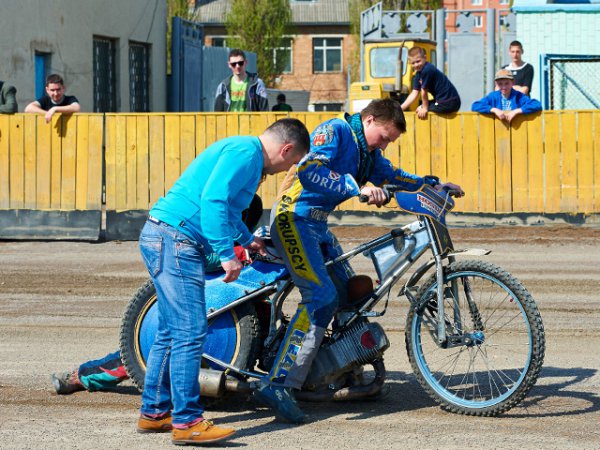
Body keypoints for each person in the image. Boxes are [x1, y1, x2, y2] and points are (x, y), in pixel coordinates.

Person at [253, 98, 464, 424]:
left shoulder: (368, 153)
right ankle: (279, 383)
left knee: (353, 295)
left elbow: (394, 176)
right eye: (384, 137)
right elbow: (310, 171)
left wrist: (432, 184)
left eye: (389, 141)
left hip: (317, 227)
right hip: (292, 219)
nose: (385, 144)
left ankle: (341, 368)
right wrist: (357, 187)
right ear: (369, 120)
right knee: (321, 297)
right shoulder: (335, 130)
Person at [135, 118, 309, 445]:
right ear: (286, 149)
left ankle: (155, 413)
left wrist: (246, 239)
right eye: (292, 162)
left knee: (173, 331)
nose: (286, 170)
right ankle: (187, 422)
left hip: (167, 236)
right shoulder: (246, 153)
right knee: (190, 331)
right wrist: (226, 254)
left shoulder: (245, 153)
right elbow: (213, 201)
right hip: (176, 240)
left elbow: (227, 211)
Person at [51, 195, 264, 396]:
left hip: (231, 294)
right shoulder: (209, 207)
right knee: (141, 355)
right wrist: (240, 254)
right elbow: (197, 256)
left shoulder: (251, 205)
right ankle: (83, 375)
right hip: (194, 288)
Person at [400, 46, 461, 120]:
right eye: (413, 63)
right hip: (441, 101)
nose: (416, 65)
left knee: (421, 108)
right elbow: (414, 93)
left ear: (425, 58)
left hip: (449, 102)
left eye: (418, 61)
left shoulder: (427, 69)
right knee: (420, 107)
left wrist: (425, 108)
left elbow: (424, 91)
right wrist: (400, 109)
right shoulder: (418, 74)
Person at [471, 69, 542, 124]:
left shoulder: (519, 96)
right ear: (496, 83)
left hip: (516, 131)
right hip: (496, 131)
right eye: (500, 84)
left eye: (507, 83)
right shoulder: (492, 96)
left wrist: (517, 111)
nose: (504, 87)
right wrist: (494, 110)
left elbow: (536, 104)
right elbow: (475, 105)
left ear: (512, 82)